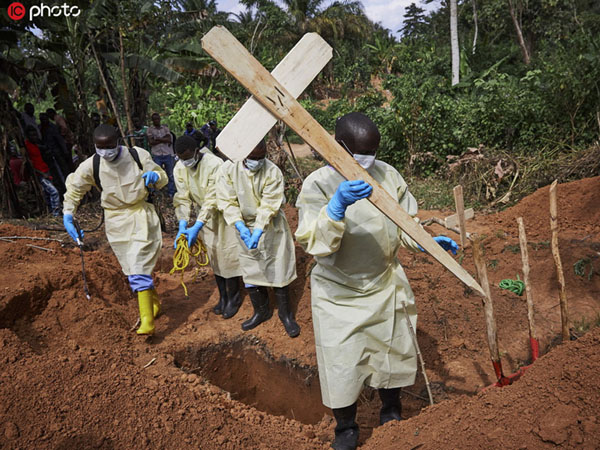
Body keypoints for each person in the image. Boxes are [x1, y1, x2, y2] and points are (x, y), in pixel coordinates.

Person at [294, 112, 458, 450]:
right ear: (338, 146)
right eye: (361, 152)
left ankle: (391, 409)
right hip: (339, 292)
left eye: (373, 151)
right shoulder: (318, 185)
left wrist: (427, 242)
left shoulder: (387, 175)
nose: (368, 159)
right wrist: (335, 208)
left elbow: (405, 222)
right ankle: (346, 427)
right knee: (342, 361)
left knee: (391, 352)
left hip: (384, 283)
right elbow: (313, 242)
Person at [62, 124, 168, 335]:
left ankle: (147, 321)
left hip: (140, 214)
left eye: (109, 146)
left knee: (138, 262)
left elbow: (161, 176)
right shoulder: (91, 165)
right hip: (115, 220)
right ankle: (153, 304)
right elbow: (74, 189)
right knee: (131, 267)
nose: (105, 152)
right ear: (95, 146)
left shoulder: (137, 155)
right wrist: (68, 214)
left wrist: (156, 177)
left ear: (118, 142)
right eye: (100, 148)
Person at [216, 139, 300, 337]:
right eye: (253, 158)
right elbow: (226, 200)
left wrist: (258, 228)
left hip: (271, 225)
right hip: (243, 224)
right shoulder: (228, 170)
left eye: (261, 157)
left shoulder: (272, 172)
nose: (257, 162)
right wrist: (239, 224)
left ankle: (286, 315)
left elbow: (270, 204)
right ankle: (261, 311)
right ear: (243, 155)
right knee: (251, 269)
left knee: (279, 267)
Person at [172, 135, 242, 317]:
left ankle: (234, 298)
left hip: (222, 214)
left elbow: (213, 197)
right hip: (204, 219)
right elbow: (182, 197)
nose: (186, 161)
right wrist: (182, 223)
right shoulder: (179, 167)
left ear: (197, 151)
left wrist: (197, 225)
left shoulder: (215, 164)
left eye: (188, 157)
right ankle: (223, 297)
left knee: (228, 256)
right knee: (214, 258)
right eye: (182, 158)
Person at [24, 126, 62, 216]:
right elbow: (29, 164)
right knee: (54, 192)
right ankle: (56, 214)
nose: (35, 137)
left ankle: (50, 213)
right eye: (32, 135)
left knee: (48, 194)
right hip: (40, 173)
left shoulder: (36, 145)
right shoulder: (26, 146)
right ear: (28, 136)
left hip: (45, 170)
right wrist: (41, 173)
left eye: (35, 134)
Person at [146, 113, 176, 197]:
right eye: (154, 119)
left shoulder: (165, 128)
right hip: (157, 154)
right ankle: (156, 193)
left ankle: (171, 192)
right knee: (156, 173)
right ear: (152, 120)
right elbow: (151, 142)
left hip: (167, 154)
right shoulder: (150, 130)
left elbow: (169, 139)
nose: (156, 121)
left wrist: (157, 139)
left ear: (159, 119)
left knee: (170, 174)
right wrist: (163, 139)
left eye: (157, 119)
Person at [39, 112, 74, 177]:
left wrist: (65, 151)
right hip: (48, 153)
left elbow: (60, 140)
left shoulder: (53, 127)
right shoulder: (40, 128)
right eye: (42, 119)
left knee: (64, 168)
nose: (44, 121)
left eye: (45, 119)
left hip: (57, 152)